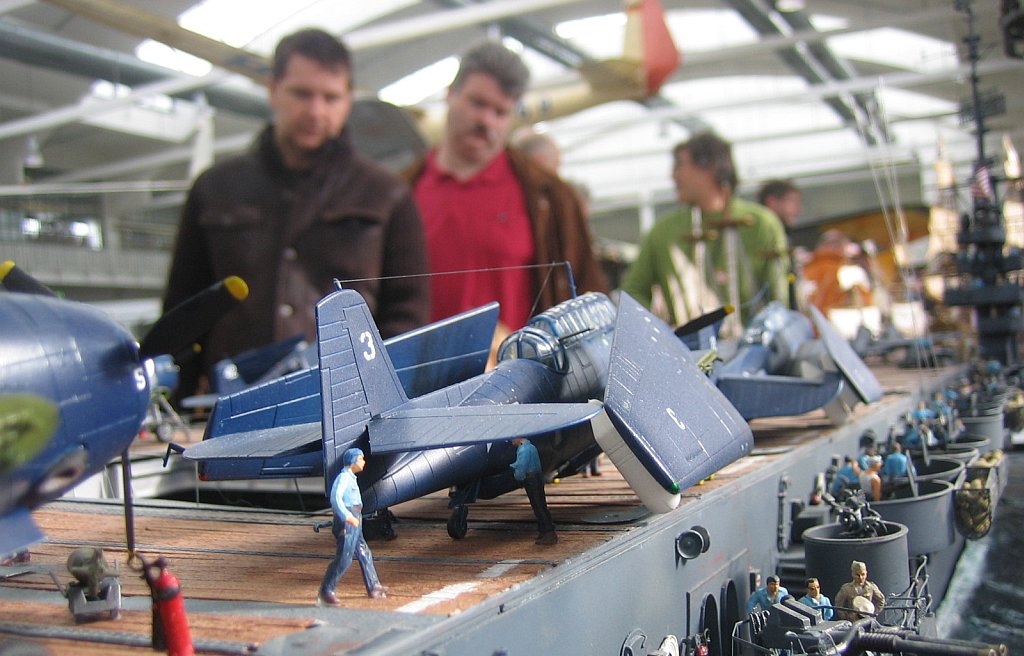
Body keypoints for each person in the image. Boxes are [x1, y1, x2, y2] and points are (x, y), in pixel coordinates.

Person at [164, 28, 430, 400]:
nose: (316, 111)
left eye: (331, 97)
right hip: (229, 404)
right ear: (273, 90)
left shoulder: (387, 195)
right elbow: (184, 307)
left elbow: (407, 314)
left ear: (348, 100)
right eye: (302, 94)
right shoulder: (215, 188)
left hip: (346, 406)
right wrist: (178, 400)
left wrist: (380, 398)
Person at [404, 41, 606, 342]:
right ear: (451, 94)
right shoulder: (402, 192)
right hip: (416, 371)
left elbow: (587, 296)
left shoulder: (549, 198)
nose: (486, 120)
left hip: (518, 369)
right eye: (477, 103)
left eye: (500, 112)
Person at [619, 132, 788, 333]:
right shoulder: (663, 232)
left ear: (709, 168)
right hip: (690, 349)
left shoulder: (762, 224)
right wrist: (661, 332)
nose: (674, 176)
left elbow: (780, 296)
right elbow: (633, 291)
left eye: (680, 166)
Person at [318, 448, 388, 605]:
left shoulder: (351, 478)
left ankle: (373, 586)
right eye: (361, 459)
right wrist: (346, 516)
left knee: (364, 552)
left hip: (356, 517)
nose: (363, 462)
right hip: (348, 520)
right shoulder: (343, 477)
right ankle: (326, 590)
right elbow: (335, 498)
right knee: (344, 558)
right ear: (352, 461)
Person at [757, 178, 804, 310]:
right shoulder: (762, 236)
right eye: (792, 201)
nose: (798, 209)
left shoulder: (786, 236)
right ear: (772, 202)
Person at [510, 438, 557, 545]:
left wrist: (516, 475)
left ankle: (548, 532)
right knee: (541, 505)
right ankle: (544, 531)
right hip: (537, 477)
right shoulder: (531, 447)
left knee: (537, 506)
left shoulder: (523, 450)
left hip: (531, 479)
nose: (511, 440)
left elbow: (521, 467)